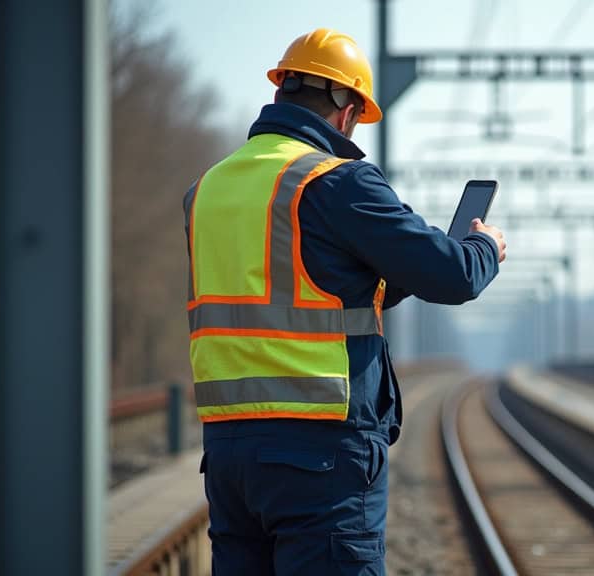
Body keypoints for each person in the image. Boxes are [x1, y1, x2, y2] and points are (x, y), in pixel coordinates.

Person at [183, 28, 506, 575]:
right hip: (319, 452)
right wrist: (484, 247)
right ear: (345, 107)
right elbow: (452, 277)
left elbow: (312, 287)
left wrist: (385, 275)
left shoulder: (208, 189)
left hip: (229, 452)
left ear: (282, 90)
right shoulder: (335, 182)